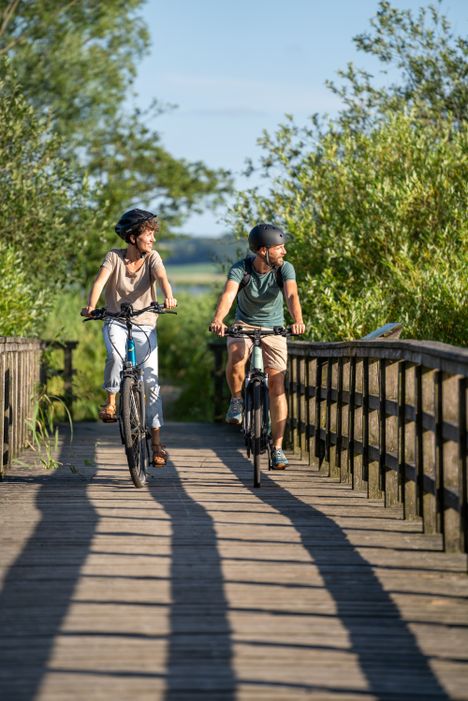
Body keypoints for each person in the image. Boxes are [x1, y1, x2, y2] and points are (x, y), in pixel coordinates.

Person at [81, 208, 176, 467]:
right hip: (116, 319)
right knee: (115, 354)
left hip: (145, 322)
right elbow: (100, 282)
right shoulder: (113, 257)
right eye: (148, 234)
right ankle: (111, 402)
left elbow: (163, 278)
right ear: (133, 237)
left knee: (151, 384)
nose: (153, 239)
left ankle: (156, 444)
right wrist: (91, 305)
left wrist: (168, 296)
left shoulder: (153, 257)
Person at [210, 223, 305, 470]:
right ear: (263, 250)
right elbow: (228, 295)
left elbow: (291, 295)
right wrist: (219, 320)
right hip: (244, 324)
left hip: (274, 327)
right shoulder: (241, 268)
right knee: (236, 354)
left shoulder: (284, 269)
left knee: (277, 384)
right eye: (279, 248)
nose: (283, 252)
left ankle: (277, 449)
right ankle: (237, 400)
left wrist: (298, 320)